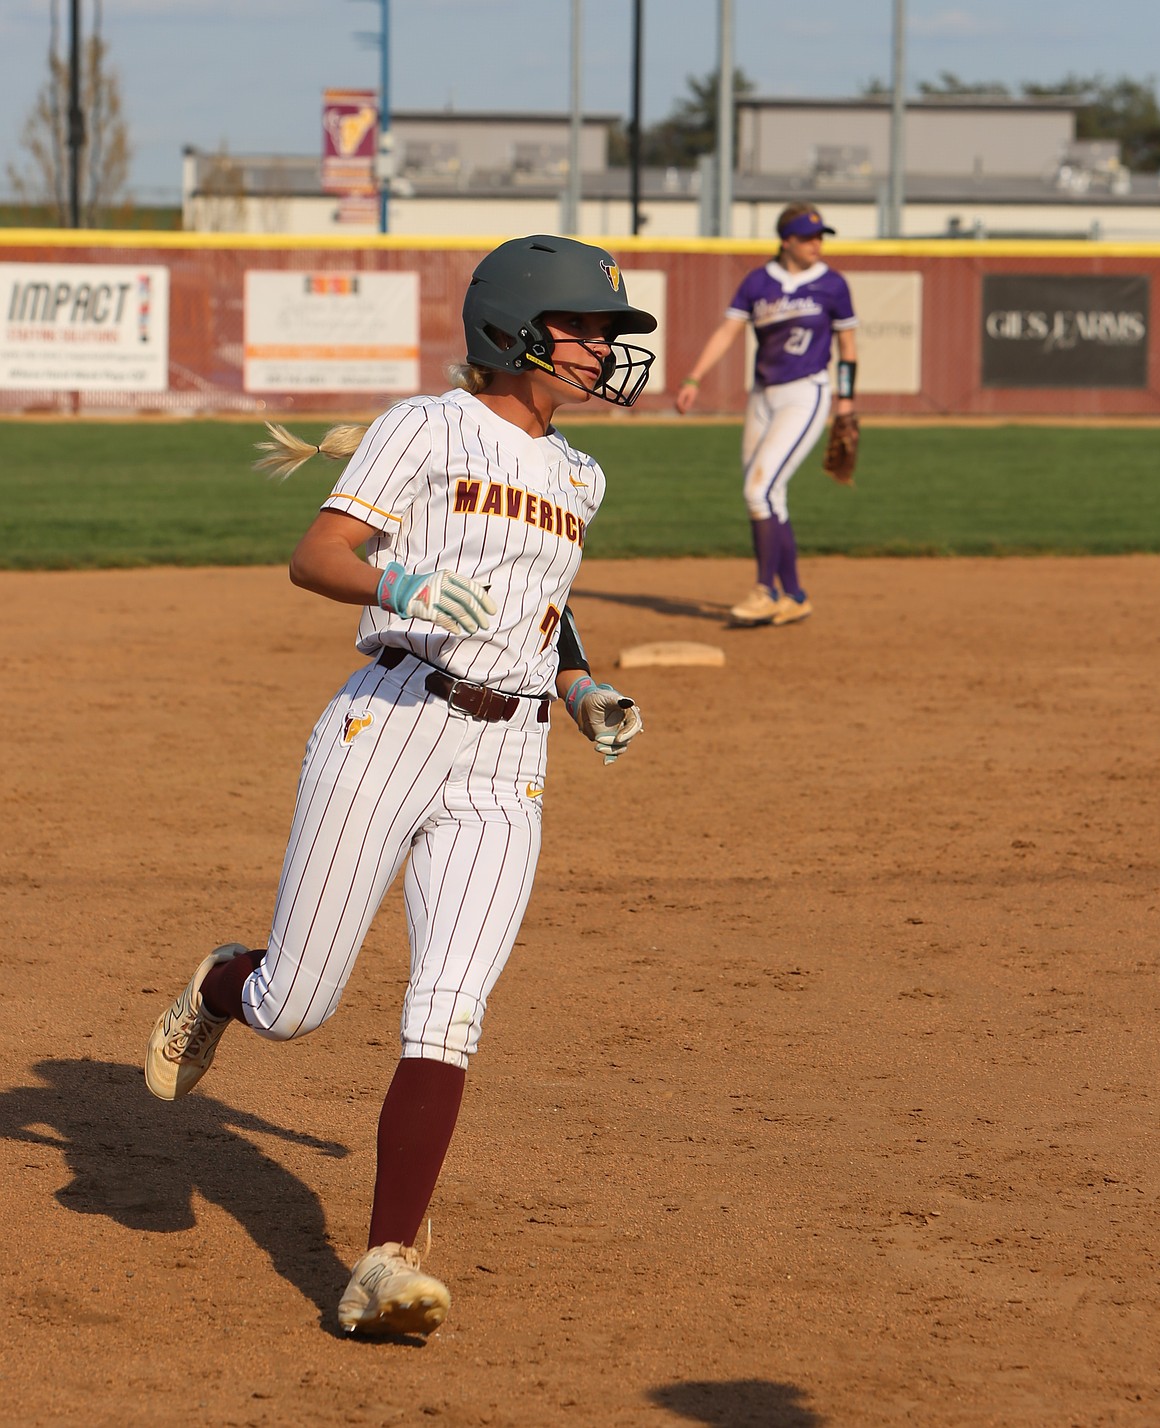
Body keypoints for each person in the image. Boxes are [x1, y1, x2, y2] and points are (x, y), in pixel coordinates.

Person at [143, 234, 656, 1340]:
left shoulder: (581, 472)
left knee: (449, 1012)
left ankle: (385, 1261)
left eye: (611, 335)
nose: (606, 351)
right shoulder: (427, 426)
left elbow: (543, 602)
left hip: (508, 757)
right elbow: (317, 557)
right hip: (391, 722)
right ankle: (228, 984)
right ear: (514, 333)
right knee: (298, 1006)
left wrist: (578, 688)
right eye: (588, 329)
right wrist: (408, 581)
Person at [675, 203, 858, 627]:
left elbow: (848, 348)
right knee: (769, 496)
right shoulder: (758, 282)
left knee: (759, 491)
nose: (818, 244)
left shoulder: (832, 284)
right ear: (786, 241)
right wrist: (694, 378)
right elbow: (727, 331)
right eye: (809, 237)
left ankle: (765, 591)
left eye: (821, 236)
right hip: (762, 396)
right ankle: (793, 595)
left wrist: (846, 403)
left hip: (807, 392)